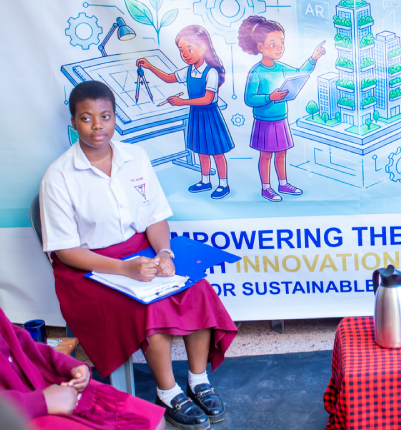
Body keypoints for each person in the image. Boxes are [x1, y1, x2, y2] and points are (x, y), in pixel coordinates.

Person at [40, 81, 238, 429]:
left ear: (116, 117)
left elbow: (155, 218)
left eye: (105, 116)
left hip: (140, 253)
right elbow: (65, 251)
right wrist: (124, 269)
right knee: (152, 307)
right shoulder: (58, 177)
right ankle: (168, 392)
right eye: (86, 118)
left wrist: (165, 253)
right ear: (73, 122)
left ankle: (198, 380)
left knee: (197, 289)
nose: (97, 126)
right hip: (89, 269)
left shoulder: (136, 157)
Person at [0, 308, 166, 429]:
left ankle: (170, 392)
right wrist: (42, 401)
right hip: (17, 413)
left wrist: (68, 365)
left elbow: (17, 338)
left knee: (155, 421)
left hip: (39, 383)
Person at [137, 25, 235, 200]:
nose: (185, 55)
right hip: (196, 116)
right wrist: (149, 66)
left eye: (189, 49)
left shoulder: (211, 72)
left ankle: (223, 184)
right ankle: (205, 181)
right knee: (201, 150)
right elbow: (169, 78)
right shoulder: (188, 71)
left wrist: (182, 102)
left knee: (217, 152)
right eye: (182, 51)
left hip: (210, 116)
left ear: (203, 48)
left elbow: (208, 99)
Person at [237, 16, 326, 202]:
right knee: (266, 155)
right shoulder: (256, 72)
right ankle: (266, 188)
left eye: (282, 43)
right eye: (273, 44)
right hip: (264, 122)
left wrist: (313, 59)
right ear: (260, 47)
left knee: (282, 153)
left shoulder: (282, 68)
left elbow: (300, 74)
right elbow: (249, 99)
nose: (279, 48)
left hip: (280, 119)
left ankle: (283, 184)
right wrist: (270, 97)